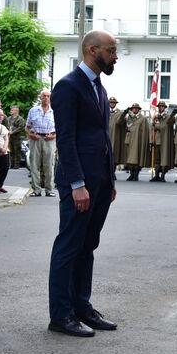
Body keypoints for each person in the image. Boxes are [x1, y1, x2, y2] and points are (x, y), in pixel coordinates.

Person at [48, 29, 119, 337]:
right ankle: (61, 315)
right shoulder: (68, 86)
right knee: (69, 246)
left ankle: (81, 307)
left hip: (100, 181)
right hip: (78, 184)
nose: (115, 56)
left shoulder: (98, 86)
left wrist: (110, 179)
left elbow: (102, 136)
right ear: (92, 50)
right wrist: (77, 184)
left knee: (88, 244)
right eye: (111, 50)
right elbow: (65, 139)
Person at [26, 88, 57, 197]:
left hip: (50, 139)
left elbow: (61, 128)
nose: (46, 98)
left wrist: (53, 135)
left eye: (48, 96)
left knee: (49, 165)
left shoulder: (55, 111)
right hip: (36, 138)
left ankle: (49, 189)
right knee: (34, 164)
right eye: (44, 96)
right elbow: (27, 126)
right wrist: (30, 135)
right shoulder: (33, 110)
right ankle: (36, 190)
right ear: (40, 97)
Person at [123, 103, 150, 181]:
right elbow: (120, 123)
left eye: (136, 108)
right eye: (133, 108)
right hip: (129, 140)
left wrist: (143, 141)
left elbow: (145, 131)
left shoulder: (143, 118)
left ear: (139, 109)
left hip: (138, 140)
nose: (135, 109)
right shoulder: (128, 117)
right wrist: (124, 114)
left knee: (136, 158)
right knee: (129, 158)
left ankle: (136, 175)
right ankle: (131, 174)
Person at [150, 101, 174, 182]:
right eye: (159, 106)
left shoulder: (168, 117)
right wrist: (152, 140)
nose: (160, 108)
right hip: (157, 140)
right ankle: (156, 175)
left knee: (164, 158)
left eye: (162, 106)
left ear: (164, 108)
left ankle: (163, 175)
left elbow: (166, 126)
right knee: (157, 158)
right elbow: (152, 128)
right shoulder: (156, 117)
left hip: (165, 140)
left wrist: (157, 126)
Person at [108, 97, 126, 172]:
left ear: (116, 104)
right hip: (106, 135)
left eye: (113, 102)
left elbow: (120, 122)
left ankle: (113, 172)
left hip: (115, 136)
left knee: (114, 155)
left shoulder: (119, 113)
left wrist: (123, 115)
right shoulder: (105, 111)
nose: (112, 104)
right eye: (110, 102)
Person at [7, 105, 25, 170]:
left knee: (17, 151)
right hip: (10, 137)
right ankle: (11, 164)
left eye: (12, 110)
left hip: (17, 138)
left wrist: (13, 132)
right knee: (11, 151)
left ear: (16, 111)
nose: (11, 111)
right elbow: (7, 125)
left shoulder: (20, 119)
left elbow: (20, 128)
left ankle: (17, 164)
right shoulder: (9, 118)